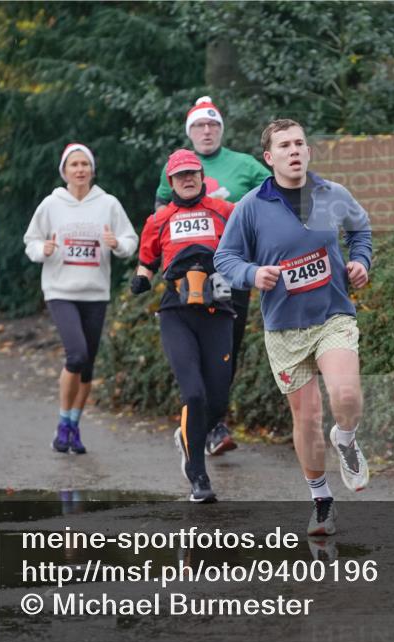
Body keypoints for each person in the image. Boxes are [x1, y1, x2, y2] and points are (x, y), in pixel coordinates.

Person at [215, 119, 373, 535]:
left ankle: (347, 438)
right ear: (269, 158)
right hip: (283, 327)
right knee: (306, 418)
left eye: (300, 142)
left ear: (308, 151)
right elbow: (224, 259)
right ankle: (321, 499)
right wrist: (252, 274)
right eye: (284, 145)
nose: (294, 150)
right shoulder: (250, 206)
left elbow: (361, 229)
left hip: (331, 315)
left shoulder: (331, 194)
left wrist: (361, 262)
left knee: (345, 393)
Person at [156, 96, 270, 456]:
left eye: (213, 125)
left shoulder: (245, 164)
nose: (207, 131)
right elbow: (161, 210)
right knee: (190, 350)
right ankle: (197, 419)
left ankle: (214, 423)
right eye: (199, 126)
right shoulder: (174, 166)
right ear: (190, 132)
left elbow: (274, 194)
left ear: (221, 129)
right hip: (185, 278)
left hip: (232, 273)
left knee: (226, 350)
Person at [134, 149, 236, 502]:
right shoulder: (159, 220)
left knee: (218, 397)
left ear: (202, 176)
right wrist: (141, 278)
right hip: (176, 313)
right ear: (171, 181)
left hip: (219, 311)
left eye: (193, 173)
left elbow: (246, 247)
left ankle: (189, 435)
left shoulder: (225, 212)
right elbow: (146, 260)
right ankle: (198, 476)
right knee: (193, 393)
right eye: (180, 176)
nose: (188, 179)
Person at [24, 143, 138, 454]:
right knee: (76, 355)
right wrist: (41, 250)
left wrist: (118, 244)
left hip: (95, 291)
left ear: (91, 169)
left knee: (87, 365)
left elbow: (131, 240)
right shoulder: (51, 204)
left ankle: (73, 426)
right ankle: (63, 422)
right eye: (73, 165)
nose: (79, 170)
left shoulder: (108, 203)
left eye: (84, 164)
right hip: (60, 290)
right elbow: (31, 240)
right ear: (64, 171)